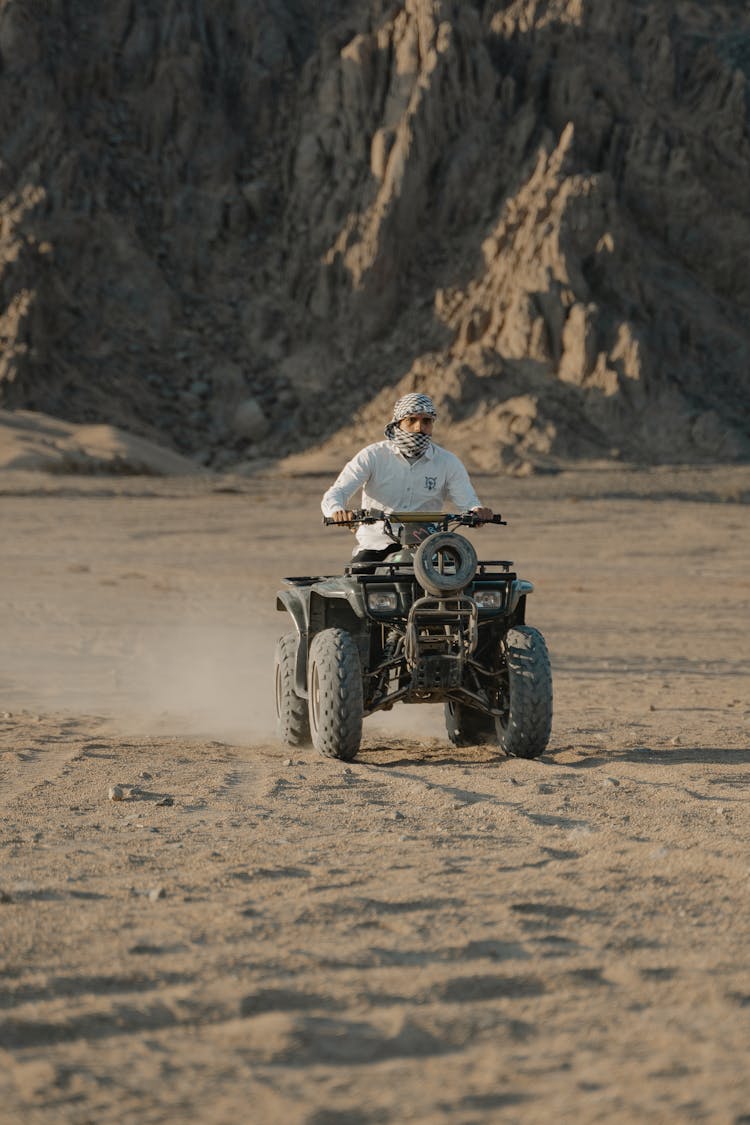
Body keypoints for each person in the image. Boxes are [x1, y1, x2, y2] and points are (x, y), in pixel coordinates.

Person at [321, 392, 493, 565]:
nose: (419, 427)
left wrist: (477, 511)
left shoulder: (448, 462)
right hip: (377, 545)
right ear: (398, 423)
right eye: (411, 420)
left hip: (428, 549)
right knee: (358, 579)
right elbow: (337, 492)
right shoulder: (373, 456)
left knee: (461, 576)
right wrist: (337, 511)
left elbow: (468, 502)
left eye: (426, 421)